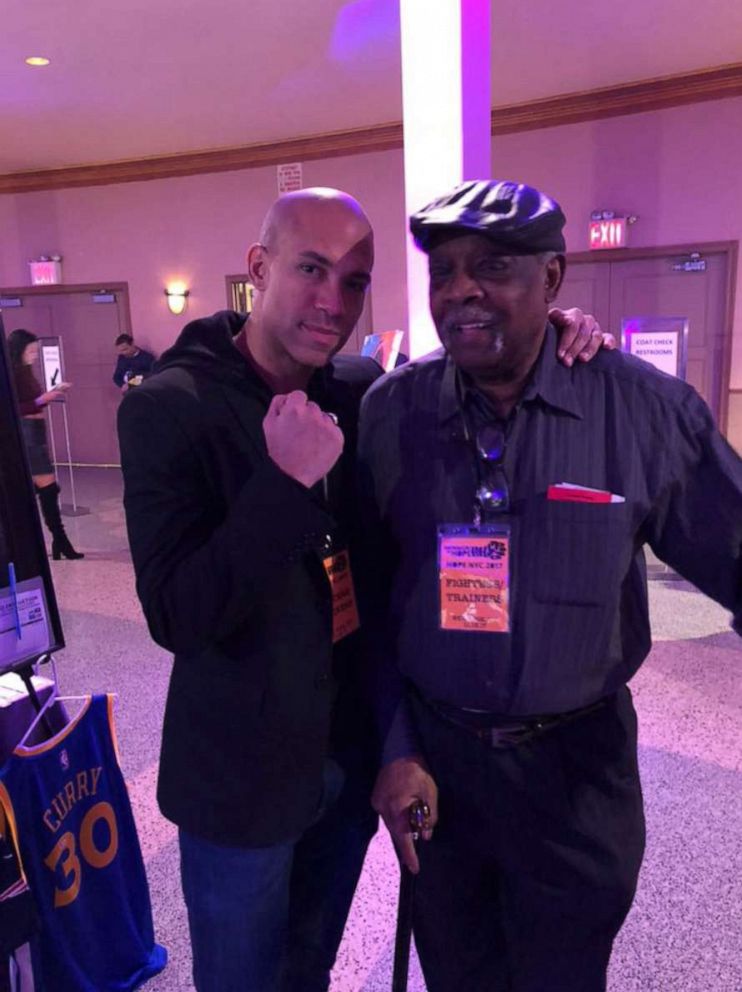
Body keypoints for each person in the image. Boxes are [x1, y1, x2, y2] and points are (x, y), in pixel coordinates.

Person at [117, 186, 609, 992]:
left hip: (347, 762)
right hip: (240, 782)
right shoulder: (171, 408)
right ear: (258, 266)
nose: (333, 300)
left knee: (307, 968)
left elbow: (464, 377)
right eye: (312, 268)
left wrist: (548, 331)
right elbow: (177, 613)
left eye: (353, 280)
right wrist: (282, 486)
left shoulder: (354, 385)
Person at [359, 179, 742, 992]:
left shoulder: (642, 412)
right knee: (459, 976)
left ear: (555, 279)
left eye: (491, 266)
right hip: (440, 779)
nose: (460, 289)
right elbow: (377, 602)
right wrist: (396, 750)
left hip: (576, 780)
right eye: (444, 270)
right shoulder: (392, 413)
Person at [8, 329, 84, 560]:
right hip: (28, 435)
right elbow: (17, 407)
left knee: (47, 491)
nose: (34, 355)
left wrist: (47, 397)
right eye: (30, 351)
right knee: (48, 489)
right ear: (18, 351)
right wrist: (46, 398)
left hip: (36, 434)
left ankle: (58, 542)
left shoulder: (26, 372)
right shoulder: (12, 373)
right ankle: (59, 542)